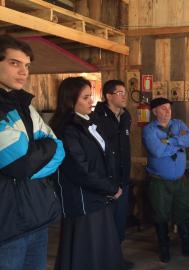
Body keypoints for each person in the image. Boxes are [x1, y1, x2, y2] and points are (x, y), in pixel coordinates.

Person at [0, 35, 65, 270]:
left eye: (27, 65)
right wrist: (41, 150)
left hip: (37, 216)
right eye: (14, 63)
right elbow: (21, 164)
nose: (23, 71)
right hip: (7, 225)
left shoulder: (25, 105)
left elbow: (58, 149)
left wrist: (36, 154)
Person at [50, 77, 124, 270]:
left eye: (91, 96)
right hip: (83, 201)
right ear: (70, 100)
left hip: (97, 195)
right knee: (86, 253)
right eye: (85, 97)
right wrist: (111, 187)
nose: (91, 101)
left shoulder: (87, 121)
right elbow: (80, 170)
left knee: (101, 251)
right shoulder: (67, 129)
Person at [142, 97, 189, 263]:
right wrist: (180, 142)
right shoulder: (149, 130)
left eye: (169, 108)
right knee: (160, 214)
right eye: (163, 108)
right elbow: (158, 151)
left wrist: (170, 140)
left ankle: (188, 246)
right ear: (155, 111)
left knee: (184, 211)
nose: (167, 111)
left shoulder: (178, 124)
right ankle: (164, 247)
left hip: (180, 180)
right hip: (159, 182)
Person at [94, 80, 133, 267]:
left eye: (125, 92)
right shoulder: (97, 118)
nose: (124, 96)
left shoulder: (126, 117)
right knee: (105, 224)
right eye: (120, 93)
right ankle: (104, 261)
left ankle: (116, 258)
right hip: (107, 181)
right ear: (108, 96)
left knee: (119, 222)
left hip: (123, 178)